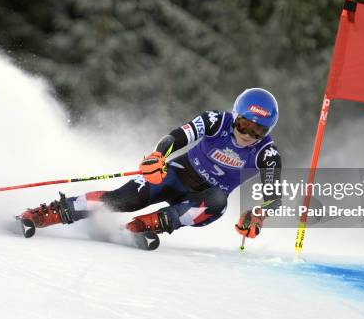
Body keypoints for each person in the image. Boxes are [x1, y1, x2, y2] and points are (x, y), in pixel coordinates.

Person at [19, 88, 282, 240]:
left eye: (258, 130)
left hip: (204, 199)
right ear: (236, 116)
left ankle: (144, 225)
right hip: (178, 174)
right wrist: (158, 157)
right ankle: (50, 212)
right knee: (125, 199)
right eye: (245, 124)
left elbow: (273, 193)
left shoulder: (267, 153)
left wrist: (259, 214)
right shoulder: (217, 120)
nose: (248, 134)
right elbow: (179, 135)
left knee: (217, 202)